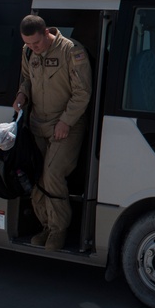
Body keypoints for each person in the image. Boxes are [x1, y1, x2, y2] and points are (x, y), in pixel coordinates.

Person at [12, 15, 92, 250]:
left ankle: (59, 230)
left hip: (66, 126)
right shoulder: (28, 52)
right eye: (28, 44)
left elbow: (82, 92)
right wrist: (21, 94)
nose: (33, 48)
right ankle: (46, 226)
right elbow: (26, 79)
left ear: (47, 32)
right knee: (36, 175)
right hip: (38, 124)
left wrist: (66, 121)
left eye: (36, 43)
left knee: (52, 174)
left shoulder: (71, 51)